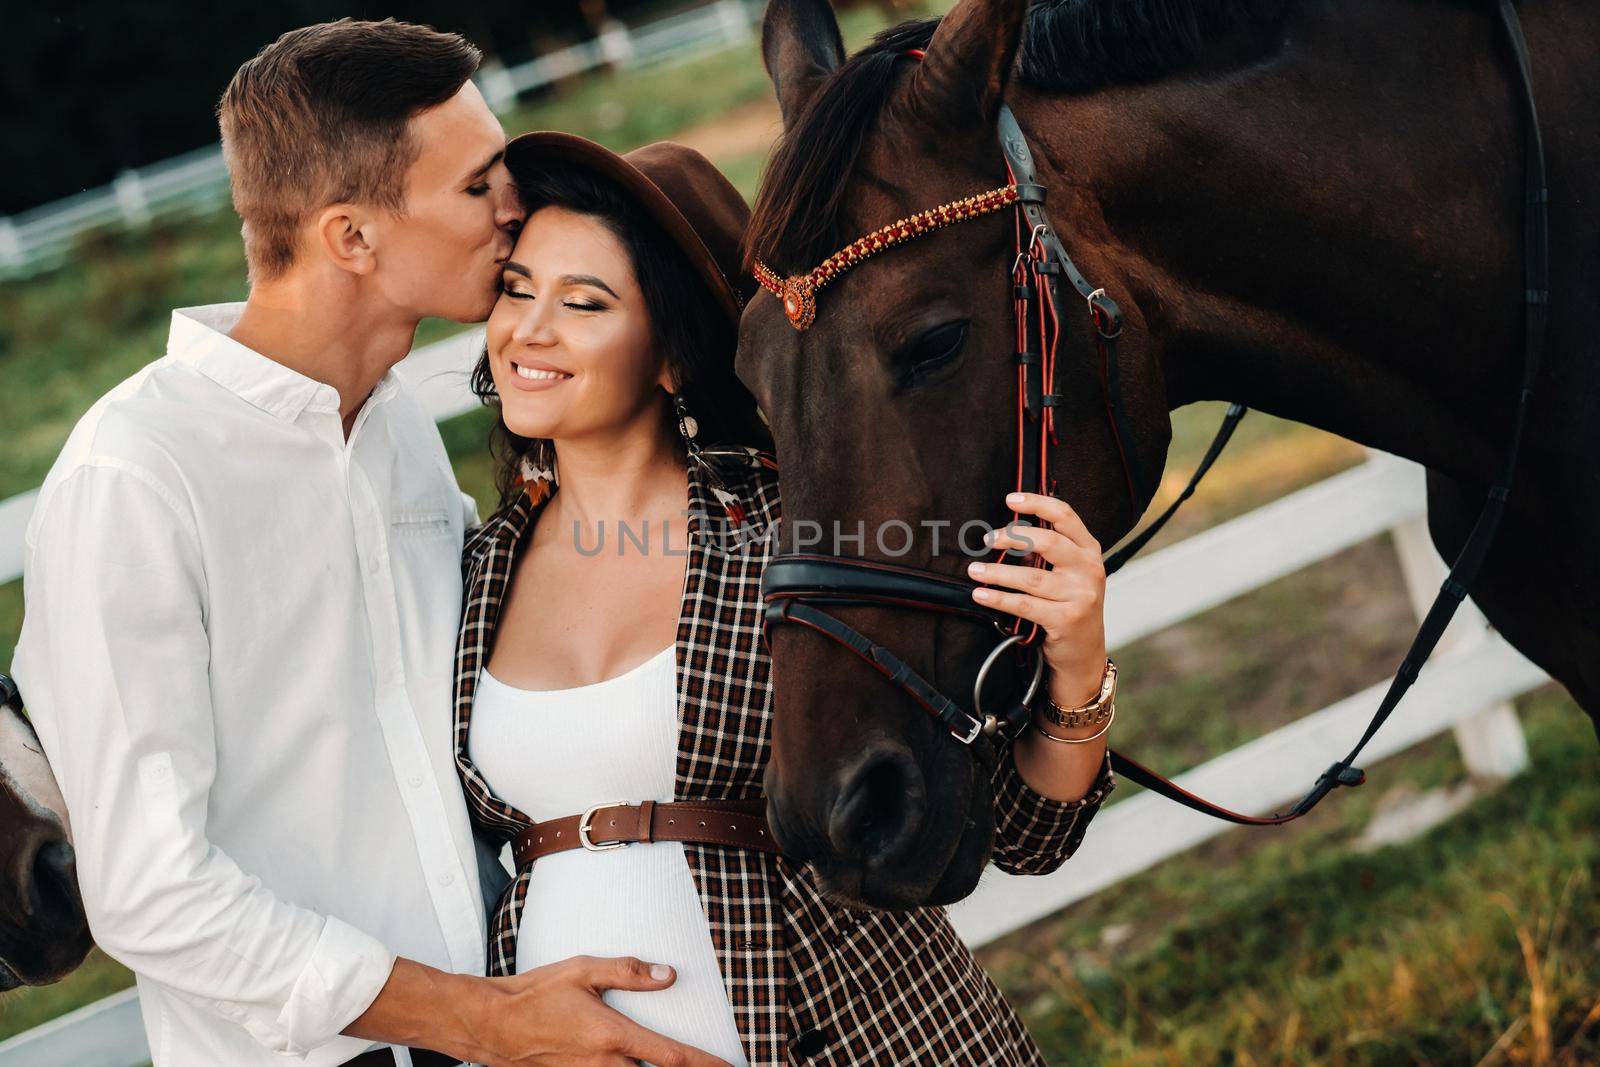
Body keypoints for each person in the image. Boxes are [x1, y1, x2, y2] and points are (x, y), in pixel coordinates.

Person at [11, 19, 728, 1067]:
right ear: (353, 237)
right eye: (478, 185)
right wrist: (481, 1018)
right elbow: (149, 888)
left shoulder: (394, 427)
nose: (514, 208)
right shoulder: (136, 472)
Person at [453, 129, 1120, 1066]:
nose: (530, 328)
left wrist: (1079, 664)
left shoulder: (800, 527)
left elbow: (1022, 829)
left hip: (862, 1035)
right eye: (519, 289)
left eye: (585, 302)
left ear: (672, 355)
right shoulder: (478, 567)